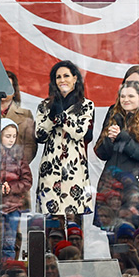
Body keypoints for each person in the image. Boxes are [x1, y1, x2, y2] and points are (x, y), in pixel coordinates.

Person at [93, 81, 139, 232]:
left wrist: (123, 136)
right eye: (122, 96)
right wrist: (109, 139)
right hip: (110, 183)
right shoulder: (114, 118)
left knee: (134, 231)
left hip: (134, 185)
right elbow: (102, 154)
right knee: (110, 231)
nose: (125, 99)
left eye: (130, 96)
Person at [34, 60, 94, 221]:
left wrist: (63, 117)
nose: (62, 80)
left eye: (66, 76)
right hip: (50, 169)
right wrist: (51, 118)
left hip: (74, 169)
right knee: (52, 223)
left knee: (74, 222)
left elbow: (79, 132)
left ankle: (74, 247)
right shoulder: (45, 106)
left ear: (75, 79)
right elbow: (40, 135)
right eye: (58, 77)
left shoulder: (86, 105)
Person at [0, 119, 32, 261]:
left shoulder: (19, 154)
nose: (11, 140)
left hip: (13, 206)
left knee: (9, 244)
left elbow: (27, 180)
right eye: (7, 136)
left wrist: (12, 188)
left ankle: (7, 274)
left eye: (14, 136)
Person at [0, 70, 37, 164]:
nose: (3, 90)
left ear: (14, 91)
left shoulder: (26, 114)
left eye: (7, 86)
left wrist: (18, 166)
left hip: (15, 171)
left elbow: (30, 146)